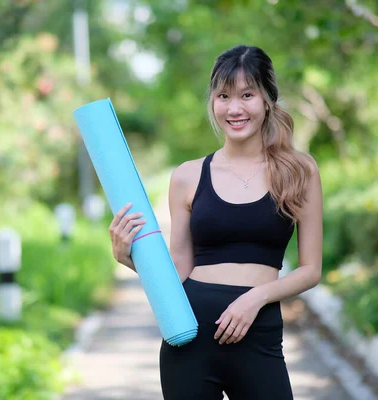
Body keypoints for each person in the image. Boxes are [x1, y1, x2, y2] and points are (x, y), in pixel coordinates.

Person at [109, 45, 323, 400]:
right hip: (190, 338)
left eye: (247, 95)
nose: (234, 108)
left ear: (267, 100)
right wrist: (130, 259)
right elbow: (178, 270)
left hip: (259, 335)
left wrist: (255, 298)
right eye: (223, 96)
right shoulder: (187, 176)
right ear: (212, 102)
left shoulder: (299, 171)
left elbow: (310, 270)